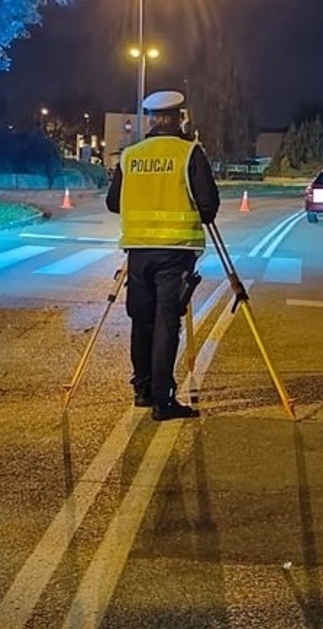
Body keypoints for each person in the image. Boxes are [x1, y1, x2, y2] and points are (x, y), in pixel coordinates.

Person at [106, 89, 220, 420]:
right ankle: (163, 401)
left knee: (141, 321)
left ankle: (142, 390)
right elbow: (208, 208)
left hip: (138, 253)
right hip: (175, 253)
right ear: (179, 118)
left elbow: (113, 203)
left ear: (151, 120)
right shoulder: (189, 153)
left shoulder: (130, 155)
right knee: (166, 325)